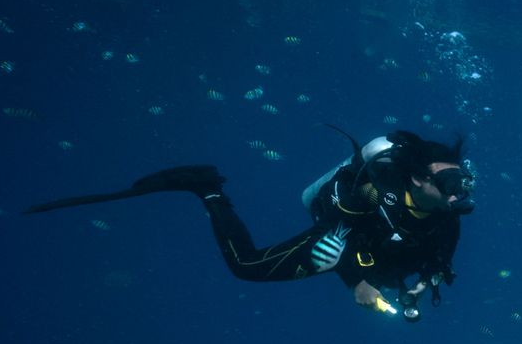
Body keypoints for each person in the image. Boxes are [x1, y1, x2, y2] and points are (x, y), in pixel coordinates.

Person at [24, 130, 475, 321]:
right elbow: (336, 234)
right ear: (418, 178)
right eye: (450, 180)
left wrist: (427, 282)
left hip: (384, 262)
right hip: (342, 240)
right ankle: (207, 189)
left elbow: (440, 254)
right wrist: (355, 282)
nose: (460, 191)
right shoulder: (372, 194)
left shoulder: (447, 213)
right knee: (245, 265)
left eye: (463, 180)